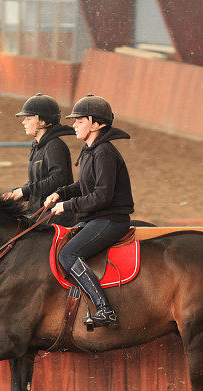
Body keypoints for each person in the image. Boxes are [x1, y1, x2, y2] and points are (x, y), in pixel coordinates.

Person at [44, 94, 134, 330]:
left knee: (68, 255)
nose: (74, 125)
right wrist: (60, 193)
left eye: (80, 121)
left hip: (111, 219)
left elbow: (102, 196)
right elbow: (84, 186)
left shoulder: (104, 152)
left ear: (96, 124)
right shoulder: (90, 150)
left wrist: (67, 206)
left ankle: (105, 309)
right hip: (97, 217)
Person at [4, 93, 76, 225]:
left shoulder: (54, 146)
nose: (23, 122)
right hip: (39, 209)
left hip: (56, 212)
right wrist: (17, 193)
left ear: (42, 122)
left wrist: (25, 190)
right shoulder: (38, 146)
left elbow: (58, 180)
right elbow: (37, 182)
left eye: (28, 119)